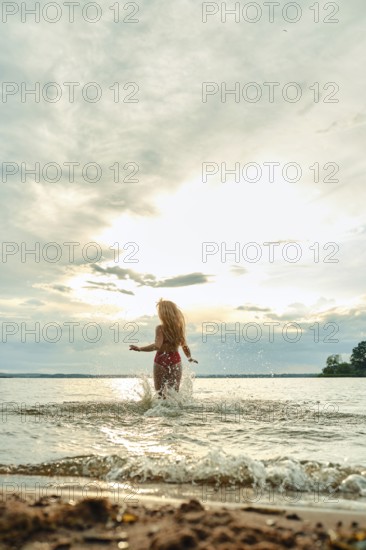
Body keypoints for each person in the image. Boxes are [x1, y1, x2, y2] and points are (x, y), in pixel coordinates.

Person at [129, 299, 198, 397]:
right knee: (174, 395)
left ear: (163, 314)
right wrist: (189, 357)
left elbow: (157, 346)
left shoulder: (160, 328)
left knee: (159, 394)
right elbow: (184, 345)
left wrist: (140, 348)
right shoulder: (179, 328)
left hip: (161, 360)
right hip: (175, 360)